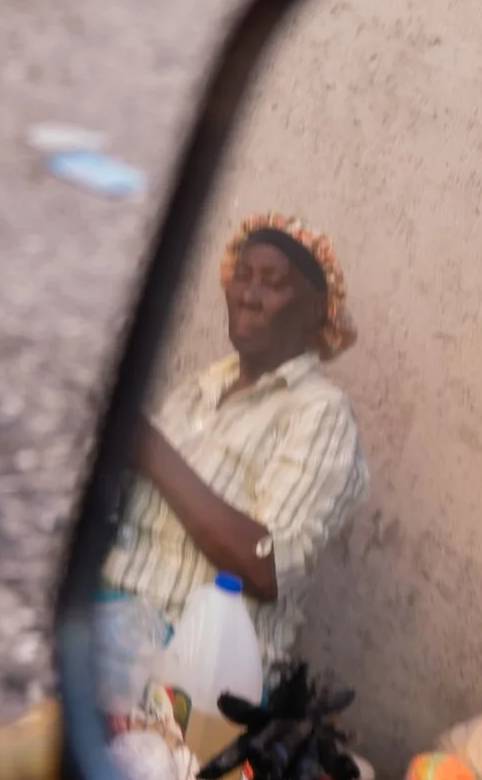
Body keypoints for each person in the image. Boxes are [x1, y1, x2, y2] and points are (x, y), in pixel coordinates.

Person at [102, 214, 369, 669]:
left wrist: (150, 449)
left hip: (196, 671)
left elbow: (264, 568)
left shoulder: (319, 414)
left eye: (272, 282)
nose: (248, 295)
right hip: (111, 623)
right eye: (241, 277)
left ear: (313, 310)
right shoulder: (197, 393)